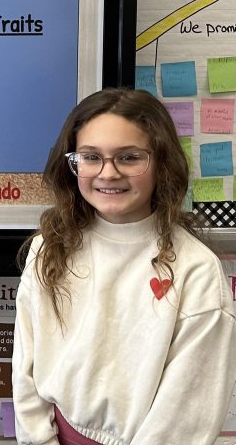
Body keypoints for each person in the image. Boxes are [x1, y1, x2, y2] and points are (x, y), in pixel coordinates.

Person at [12, 88, 236, 445]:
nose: (108, 173)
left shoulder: (195, 271)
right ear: (72, 164)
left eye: (129, 157)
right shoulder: (50, 246)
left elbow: (185, 412)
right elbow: (27, 366)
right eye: (91, 157)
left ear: (161, 162)